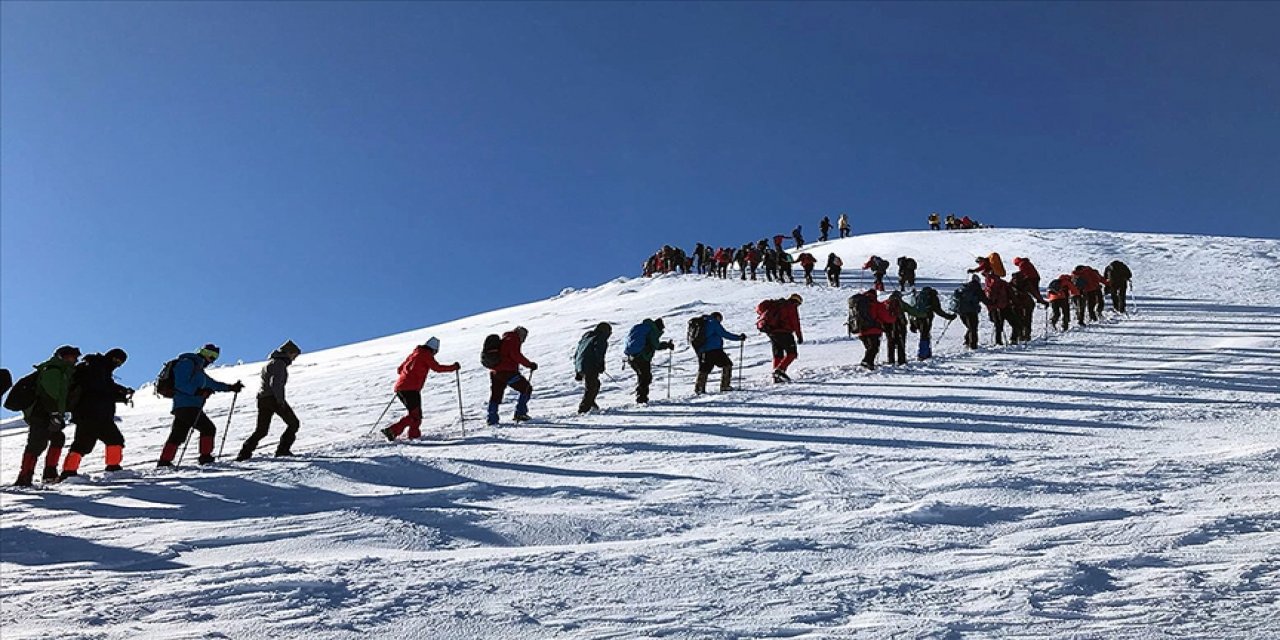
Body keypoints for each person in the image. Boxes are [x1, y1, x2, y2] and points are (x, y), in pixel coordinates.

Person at [156, 344, 244, 467]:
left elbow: (213, 384)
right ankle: (205, 457)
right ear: (202, 352)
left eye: (215, 356)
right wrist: (199, 392)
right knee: (208, 428)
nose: (212, 359)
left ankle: (164, 461)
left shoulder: (198, 370)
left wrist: (230, 387)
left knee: (178, 434)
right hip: (187, 405)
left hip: (185, 406)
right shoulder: (187, 363)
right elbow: (180, 384)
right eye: (210, 354)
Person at [60, 348, 133, 480]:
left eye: (120, 362)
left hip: (87, 414)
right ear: (110, 356)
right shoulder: (98, 367)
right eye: (116, 360)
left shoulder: (98, 367)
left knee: (83, 444)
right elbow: (99, 390)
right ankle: (113, 468)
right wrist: (119, 392)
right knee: (114, 439)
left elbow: (101, 390)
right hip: (95, 413)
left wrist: (119, 393)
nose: (117, 363)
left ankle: (69, 472)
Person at [13, 345, 80, 486]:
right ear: (61, 356)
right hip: (41, 413)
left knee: (57, 438)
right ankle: (25, 476)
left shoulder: (64, 373)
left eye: (74, 358)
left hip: (49, 413)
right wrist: (54, 413)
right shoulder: (53, 370)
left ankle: (49, 473)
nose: (73, 360)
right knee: (37, 443)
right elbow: (49, 393)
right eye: (71, 357)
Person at [238, 340, 308, 457]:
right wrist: (280, 401)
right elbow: (276, 384)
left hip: (263, 398)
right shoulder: (279, 363)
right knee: (293, 423)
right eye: (294, 355)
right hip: (273, 398)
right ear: (288, 353)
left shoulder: (271, 363)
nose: (294, 358)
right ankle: (282, 450)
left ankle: (244, 452)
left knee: (261, 430)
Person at [485, 327, 537, 425]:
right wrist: (529, 364)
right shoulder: (513, 339)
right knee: (526, 388)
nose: (524, 339)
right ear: (520, 334)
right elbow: (515, 355)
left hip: (495, 372)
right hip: (507, 372)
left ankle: (492, 419)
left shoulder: (505, 339)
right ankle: (520, 413)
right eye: (524, 336)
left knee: (496, 395)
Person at [693, 313, 746, 394]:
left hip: (703, 350)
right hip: (715, 350)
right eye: (720, 319)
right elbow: (725, 334)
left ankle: (699, 388)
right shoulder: (713, 323)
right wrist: (739, 338)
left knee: (704, 369)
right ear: (717, 317)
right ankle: (725, 386)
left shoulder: (703, 323)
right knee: (727, 365)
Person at [623, 319, 674, 404]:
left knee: (642, 376)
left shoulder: (640, 328)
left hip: (631, 357)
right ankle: (642, 398)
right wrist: (667, 345)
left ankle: (641, 397)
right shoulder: (652, 330)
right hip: (642, 358)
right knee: (646, 377)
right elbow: (656, 345)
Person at [757, 294, 804, 383]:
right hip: (784, 332)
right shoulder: (791, 306)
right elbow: (795, 322)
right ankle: (779, 370)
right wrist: (799, 335)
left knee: (778, 354)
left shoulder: (776, 304)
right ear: (797, 301)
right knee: (792, 353)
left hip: (771, 332)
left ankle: (776, 377)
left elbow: (759, 308)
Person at [847, 290, 896, 370]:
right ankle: (867, 362)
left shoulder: (859, 303)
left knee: (869, 348)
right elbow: (886, 318)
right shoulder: (876, 304)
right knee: (874, 348)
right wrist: (894, 317)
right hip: (873, 330)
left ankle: (868, 363)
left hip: (861, 329)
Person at [903, 286, 955, 360]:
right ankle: (923, 354)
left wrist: (912, 323)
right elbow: (938, 310)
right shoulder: (932, 297)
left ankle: (925, 353)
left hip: (916, 318)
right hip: (926, 318)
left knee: (923, 335)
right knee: (925, 335)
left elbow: (911, 308)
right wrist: (949, 317)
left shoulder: (918, 295)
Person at [574, 322, 612, 413]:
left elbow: (577, 353)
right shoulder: (600, 338)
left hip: (581, 364)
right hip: (590, 365)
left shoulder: (587, 337)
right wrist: (600, 365)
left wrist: (577, 370)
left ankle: (591, 404)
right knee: (591, 387)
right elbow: (599, 352)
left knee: (595, 384)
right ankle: (584, 409)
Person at [952, 277, 988, 349]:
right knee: (973, 328)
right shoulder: (977, 289)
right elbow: (985, 300)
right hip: (971, 311)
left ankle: (967, 341)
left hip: (961, 311)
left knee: (970, 327)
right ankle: (973, 345)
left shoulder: (964, 288)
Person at [983, 275, 1014, 346]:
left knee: (998, 324)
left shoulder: (988, 285)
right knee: (1001, 324)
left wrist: (990, 307)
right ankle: (1009, 340)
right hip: (1003, 306)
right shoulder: (1002, 283)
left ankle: (998, 341)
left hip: (994, 308)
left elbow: (987, 298)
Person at [883, 292, 910, 365]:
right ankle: (901, 360)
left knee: (890, 343)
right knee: (901, 343)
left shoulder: (885, 303)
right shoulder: (901, 303)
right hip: (900, 326)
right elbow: (911, 310)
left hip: (888, 326)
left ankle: (891, 360)